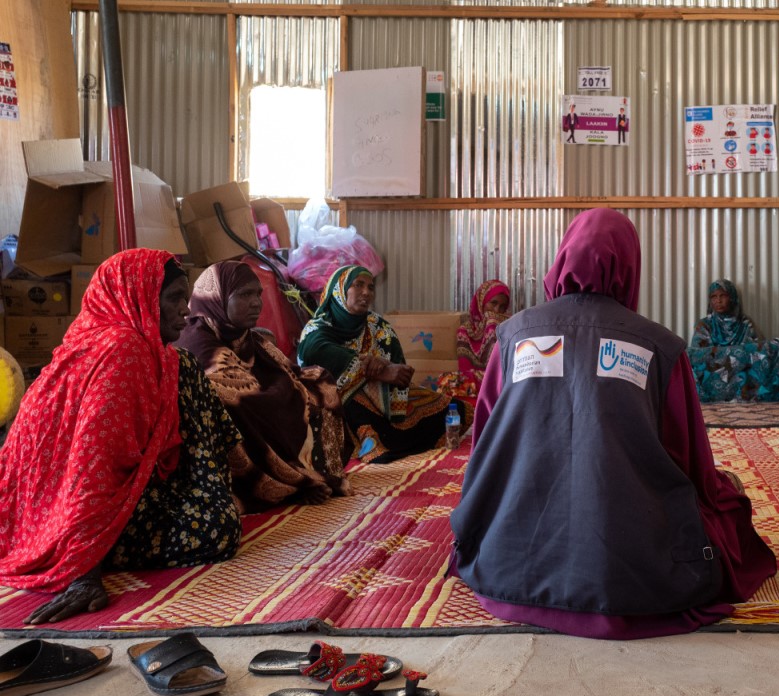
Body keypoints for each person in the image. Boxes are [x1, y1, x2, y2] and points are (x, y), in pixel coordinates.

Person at [450, 208, 778, 639]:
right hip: (637, 578)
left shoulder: (513, 336)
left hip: (508, 566)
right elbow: (690, 459)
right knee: (727, 500)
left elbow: (484, 447)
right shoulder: (659, 346)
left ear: (563, 256)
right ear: (630, 265)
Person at [0, 249, 245, 624]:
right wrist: (83, 574)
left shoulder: (114, 339)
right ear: (139, 297)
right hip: (58, 511)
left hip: (50, 505)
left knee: (182, 366)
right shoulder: (123, 350)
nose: (185, 309)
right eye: (174, 298)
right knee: (217, 530)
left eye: (187, 297)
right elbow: (93, 465)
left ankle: (223, 488)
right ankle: (91, 551)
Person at [177, 261, 348, 512]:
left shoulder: (246, 335)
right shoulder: (196, 337)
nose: (257, 302)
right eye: (245, 294)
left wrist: (285, 386)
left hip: (258, 392)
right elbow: (224, 384)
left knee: (321, 381)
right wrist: (280, 389)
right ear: (218, 297)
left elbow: (283, 368)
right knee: (237, 403)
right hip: (232, 404)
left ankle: (310, 469)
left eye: (258, 294)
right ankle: (284, 484)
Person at [296, 265, 471, 464]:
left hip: (382, 397)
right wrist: (377, 371)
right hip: (337, 403)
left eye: (370, 287)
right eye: (358, 285)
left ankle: (390, 436)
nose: (366, 292)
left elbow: (398, 369)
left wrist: (390, 370)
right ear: (340, 290)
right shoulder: (318, 327)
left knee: (444, 406)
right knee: (354, 397)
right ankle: (371, 440)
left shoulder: (376, 324)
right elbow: (315, 352)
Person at [688, 279, 779, 403]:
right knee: (689, 357)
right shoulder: (704, 324)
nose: (718, 301)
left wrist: (737, 356)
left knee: (777, 346)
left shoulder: (744, 323)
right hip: (715, 371)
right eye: (714, 297)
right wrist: (730, 355)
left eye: (723, 296)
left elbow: (754, 353)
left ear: (732, 298)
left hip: (740, 371)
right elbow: (697, 355)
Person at [437, 279, 511, 401]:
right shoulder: (465, 330)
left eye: (502, 307)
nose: (497, 310)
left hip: (501, 380)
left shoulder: (509, 325)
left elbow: (503, 366)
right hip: (476, 381)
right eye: (493, 303)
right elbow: (465, 370)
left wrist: (492, 327)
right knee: (447, 381)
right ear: (482, 302)